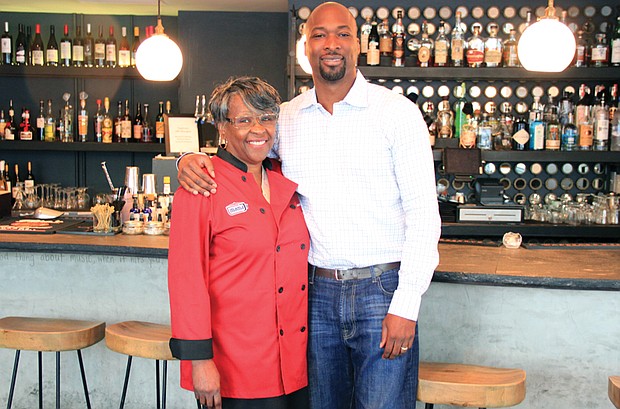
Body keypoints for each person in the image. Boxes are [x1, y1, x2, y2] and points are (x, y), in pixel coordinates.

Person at [176, 3, 441, 408]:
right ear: (306, 47)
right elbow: (243, 147)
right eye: (319, 35)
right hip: (313, 296)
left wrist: (407, 303)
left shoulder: (397, 114)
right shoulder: (286, 117)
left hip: (382, 292)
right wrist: (189, 160)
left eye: (342, 33)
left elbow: (424, 216)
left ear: (359, 44)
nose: (330, 44)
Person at [168, 76, 310, 409]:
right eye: (244, 120)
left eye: (267, 118)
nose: (258, 129)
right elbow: (187, 282)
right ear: (221, 127)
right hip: (235, 368)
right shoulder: (201, 187)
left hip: (294, 364)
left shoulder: (283, 178)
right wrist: (199, 361)